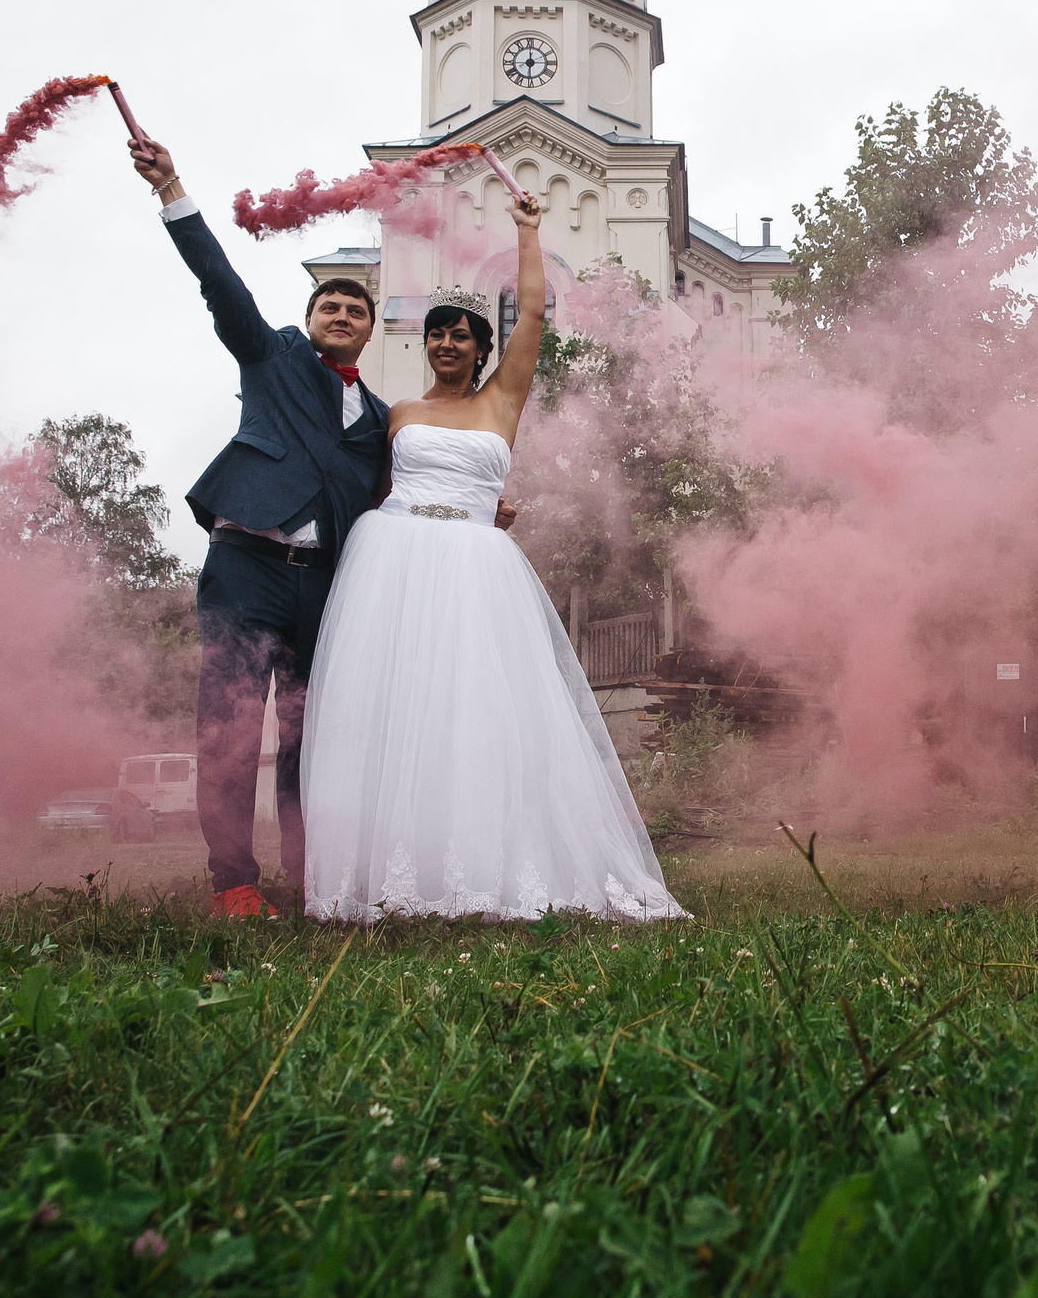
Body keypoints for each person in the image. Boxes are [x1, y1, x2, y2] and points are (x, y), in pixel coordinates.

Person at [131, 135, 513, 918]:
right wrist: (174, 188)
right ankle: (233, 881)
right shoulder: (269, 360)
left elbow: (404, 488)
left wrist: (485, 506)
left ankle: (313, 879)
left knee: (312, 740)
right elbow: (220, 283)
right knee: (232, 726)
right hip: (245, 568)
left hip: (325, 590)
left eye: (354, 308)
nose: (340, 314)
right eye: (327, 306)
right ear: (307, 322)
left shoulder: (378, 419)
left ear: (370, 331)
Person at [298, 185, 682, 922]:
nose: (446, 342)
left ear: (480, 347)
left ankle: (482, 865)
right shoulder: (400, 413)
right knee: (400, 713)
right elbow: (373, 487)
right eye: (436, 332)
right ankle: (394, 871)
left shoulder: (501, 400)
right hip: (396, 565)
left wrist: (529, 233)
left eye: (461, 334)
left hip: (475, 571)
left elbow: (532, 315)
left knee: (472, 714)